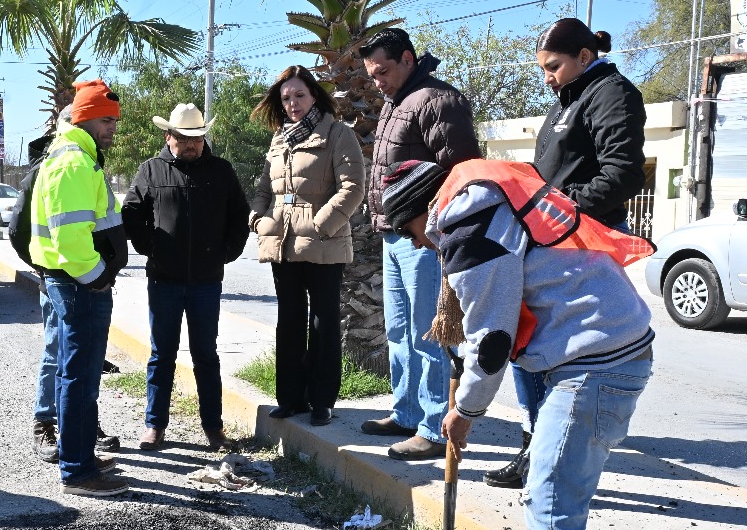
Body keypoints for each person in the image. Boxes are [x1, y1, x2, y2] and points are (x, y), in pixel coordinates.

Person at [381, 156, 654, 530]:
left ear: (420, 213)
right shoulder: (486, 202)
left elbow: (493, 338)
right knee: (548, 502)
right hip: (600, 353)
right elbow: (492, 312)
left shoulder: (466, 223)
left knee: (554, 512)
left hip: (593, 363)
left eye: (410, 233)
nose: (422, 246)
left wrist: (463, 412)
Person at [488, 17, 648, 490]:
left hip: (583, 240)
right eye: (543, 69)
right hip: (551, 239)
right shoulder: (571, 98)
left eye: (553, 66)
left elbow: (623, 172)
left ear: (584, 56)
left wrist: (561, 208)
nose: (547, 77)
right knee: (530, 344)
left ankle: (552, 452)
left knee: (564, 351)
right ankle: (535, 444)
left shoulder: (612, 93)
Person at [358, 27, 480, 461]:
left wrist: (432, 230)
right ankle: (407, 412)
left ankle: (430, 427)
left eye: (384, 71)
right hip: (394, 236)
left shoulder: (436, 100)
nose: (378, 81)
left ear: (408, 59)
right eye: (372, 75)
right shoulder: (397, 102)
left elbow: (463, 173)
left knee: (428, 333)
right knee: (398, 330)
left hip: (423, 240)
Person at [122, 102, 250, 450]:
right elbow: (132, 212)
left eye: (197, 138)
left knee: (205, 354)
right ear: (169, 137)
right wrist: (151, 246)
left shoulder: (222, 171)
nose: (191, 145)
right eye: (183, 138)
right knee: (162, 354)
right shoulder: (151, 170)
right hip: (164, 279)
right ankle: (154, 425)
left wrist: (227, 252)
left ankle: (213, 427)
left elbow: (240, 215)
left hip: (207, 282)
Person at [29, 79, 131, 497]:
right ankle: (77, 471)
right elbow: (70, 239)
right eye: (107, 120)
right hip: (78, 284)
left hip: (73, 282)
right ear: (86, 117)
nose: (113, 129)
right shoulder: (73, 162)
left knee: (80, 373)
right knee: (80, 376)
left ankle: (81, 456)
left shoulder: (77, 155)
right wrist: (98, 277)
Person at [248, 66, 365, 426]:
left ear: (314, 95)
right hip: (281, 244)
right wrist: (256, 219)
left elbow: (353, 188)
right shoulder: (279, 138)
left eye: (299, 95)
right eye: (286, 98)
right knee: (290, 321)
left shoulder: (338, 134)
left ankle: (322, 402)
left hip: (323, 244)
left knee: (324, 322)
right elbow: (265, 188)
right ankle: (290, 398)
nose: (293, 103)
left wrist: (318, 226)